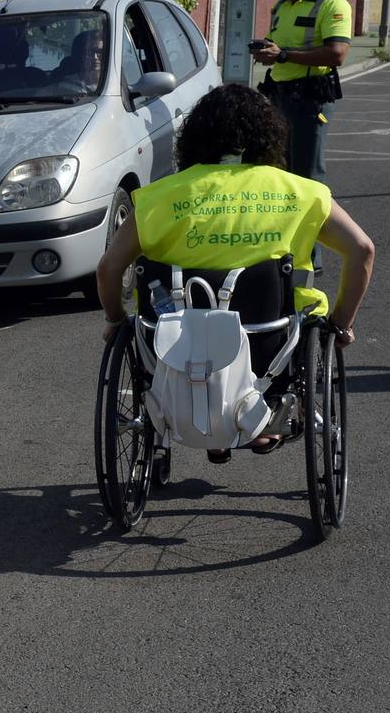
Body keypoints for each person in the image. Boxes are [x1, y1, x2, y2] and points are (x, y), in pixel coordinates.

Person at [94, 83, 375, 457]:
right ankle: (262, 416)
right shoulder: (302, 193)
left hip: (174, 349)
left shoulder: (155, 198)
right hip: (269, 345)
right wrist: (342, 324)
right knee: (298, 323)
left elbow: (108, 270)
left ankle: (195, 418)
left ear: (195, 138)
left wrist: (115, 319)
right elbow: (362, 250)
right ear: (268, 136)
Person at [250, 0, 352, 186]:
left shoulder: (331, 3)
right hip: (280, 97)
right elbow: (277, 45)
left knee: (307, 176)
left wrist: (283, 55)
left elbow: (337, 54)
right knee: (281, 171)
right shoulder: (281, 7)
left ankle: (315, 224)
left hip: (310, 99)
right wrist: (266, 51)